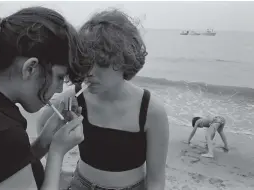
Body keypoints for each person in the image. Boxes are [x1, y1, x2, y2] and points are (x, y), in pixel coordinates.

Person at [38, 9, 169, 190]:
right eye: (85, 62)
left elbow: (156, 180)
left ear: (125, 61)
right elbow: (43, 121)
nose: (89, 72)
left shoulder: (150, 110)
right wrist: (55, 163)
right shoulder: (75, 97)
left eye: (102, 63)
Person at [0, 6, 90, 190]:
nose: (60, 88)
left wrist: (43, 144)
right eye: (60, 77)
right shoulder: (3, 134)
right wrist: (57, 153)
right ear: (30, 68)